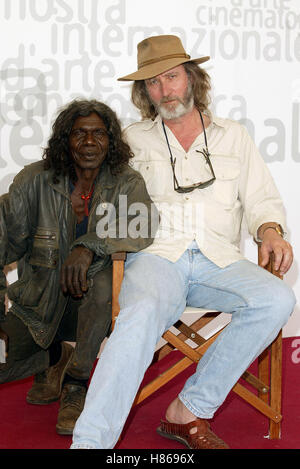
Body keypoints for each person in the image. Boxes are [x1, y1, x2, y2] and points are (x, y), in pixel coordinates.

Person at [70, 35, 295, 449]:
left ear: (192, 78)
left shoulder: (235, 136)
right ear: (144, 92)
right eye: (153, 83)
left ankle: (188, 409)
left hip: (219, 260)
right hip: (157, 259)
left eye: (172, 77)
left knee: (278, 299)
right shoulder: (132, 141)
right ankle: (90, 443)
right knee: (138, 317)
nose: (164, 90)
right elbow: (104, 201)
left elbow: (263, 201)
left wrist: (269, 231)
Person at [0, 99, 156, 435]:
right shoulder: (33, 180)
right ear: (64, 141)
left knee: (100, 286)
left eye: (99, 134)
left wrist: (89, 246)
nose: (89, 142)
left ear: (111, 141)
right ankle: (54, 357)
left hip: (94, 305)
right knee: (6, 364)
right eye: (79, 134)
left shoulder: (126, 182)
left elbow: (143, 225)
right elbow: (3, 240)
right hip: (39, 305)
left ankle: (76, 382)